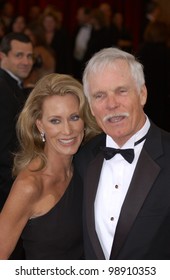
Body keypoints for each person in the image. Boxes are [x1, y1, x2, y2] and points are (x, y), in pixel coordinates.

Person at [75, 47, 170, 259]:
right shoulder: (81, 158)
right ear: (90, 107)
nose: (111, 104)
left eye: (121, 91)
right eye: (100, 95)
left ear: (142, 94)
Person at [0, 73, 101, 260]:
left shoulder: (86, 167)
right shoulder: (30, 186)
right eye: (55, 120)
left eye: (74, 117)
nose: (68, 130)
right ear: (40, 125)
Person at [0, 32, 33, 211]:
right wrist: (13, 198)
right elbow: (5, 150)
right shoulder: (3, 90)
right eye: (19, 55)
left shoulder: (12, 85)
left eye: (29, 56)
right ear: (2, 56)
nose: (26, 62)